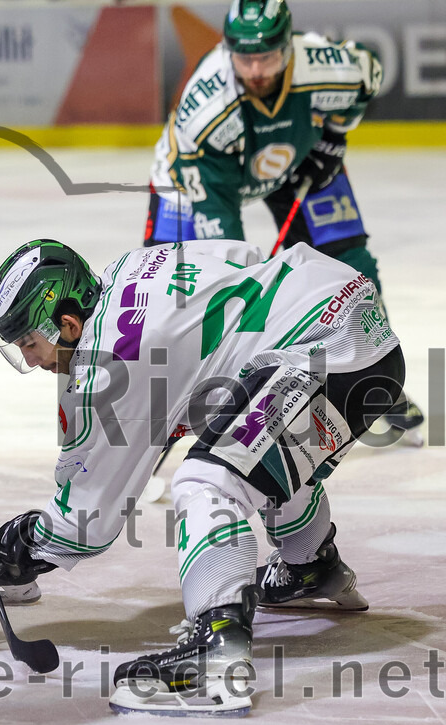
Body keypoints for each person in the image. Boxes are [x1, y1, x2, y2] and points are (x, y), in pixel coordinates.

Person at [0, 237, 405, 716]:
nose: (32, 359)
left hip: (326, 352)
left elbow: (87, 522)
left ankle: (218, 655)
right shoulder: (132, 265)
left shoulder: (112, 366)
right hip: (353, 326)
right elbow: (244, 259)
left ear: (67, 323)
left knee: (206, 481)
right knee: (244, 445)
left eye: (29, 343)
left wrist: (25, 543)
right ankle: (308, 565)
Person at [144, 0, 423, 439]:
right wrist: (241, 281)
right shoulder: (207, 111)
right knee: (182, 293)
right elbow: (226, 249)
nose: (255, 70)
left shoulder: (324, 65)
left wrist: (331, 141)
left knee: (352, 263)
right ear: (227, 49)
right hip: (195, 179)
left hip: (298, 162)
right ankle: (173, 409)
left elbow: (368, 74)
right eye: (245, 58)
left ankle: (372, 377)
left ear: (289, 48)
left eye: (267, 57)